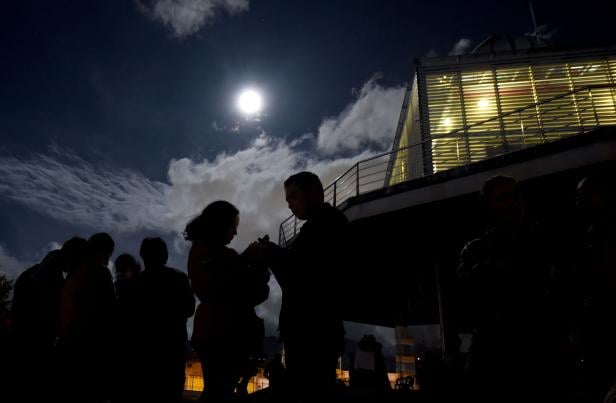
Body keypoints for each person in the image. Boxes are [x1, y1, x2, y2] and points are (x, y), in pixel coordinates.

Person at [456, 176, 566, 401]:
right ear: (489, 206)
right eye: (503, 198)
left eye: (515, 196)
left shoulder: (545, 240)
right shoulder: (476, 250)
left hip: (541, 350)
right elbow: (464, 302)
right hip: (495, 354)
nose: (512, 203)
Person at [252, 171, 349, 401]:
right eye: (287, 200)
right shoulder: (325, 224)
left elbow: (302, 278)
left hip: (312, 332)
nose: (290, 205)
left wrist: (272, 254)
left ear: (314, 191)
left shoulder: (325, 224)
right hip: (315, 330)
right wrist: (275, 255)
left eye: (293, 197)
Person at [185, 201, 270, 402]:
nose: (236, 233)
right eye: (233, 227)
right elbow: (236, 287)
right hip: (223, 333)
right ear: (221, 225)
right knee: (219, 392)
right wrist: (254, 263)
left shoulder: (204, 252)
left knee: (216, 390)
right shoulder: (214, 254)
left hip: (211, 331)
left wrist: (246, 262)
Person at [11, 238, 88, 401]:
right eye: (79, 262)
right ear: (73, 256)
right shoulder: (50, 278)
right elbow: (48, 319)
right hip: (33, 354)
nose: (79, 268)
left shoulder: (34, 273)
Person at [569, 174, 616, 402]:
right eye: (579, 195)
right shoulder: (590, 233)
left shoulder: (599, 234)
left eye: (584, 194)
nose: (579, 199)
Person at [136, 237, 195, 402]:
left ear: (143, 255)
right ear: (166, 256)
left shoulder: (135, 284)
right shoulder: (179, 278)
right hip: (172, 349)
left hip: (143, 352)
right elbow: (190, 309)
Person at [112, 253, 142, 402]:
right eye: (119, 271)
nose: (120, 274)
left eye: (123, 270)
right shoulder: (119, 289)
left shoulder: (134, 289)